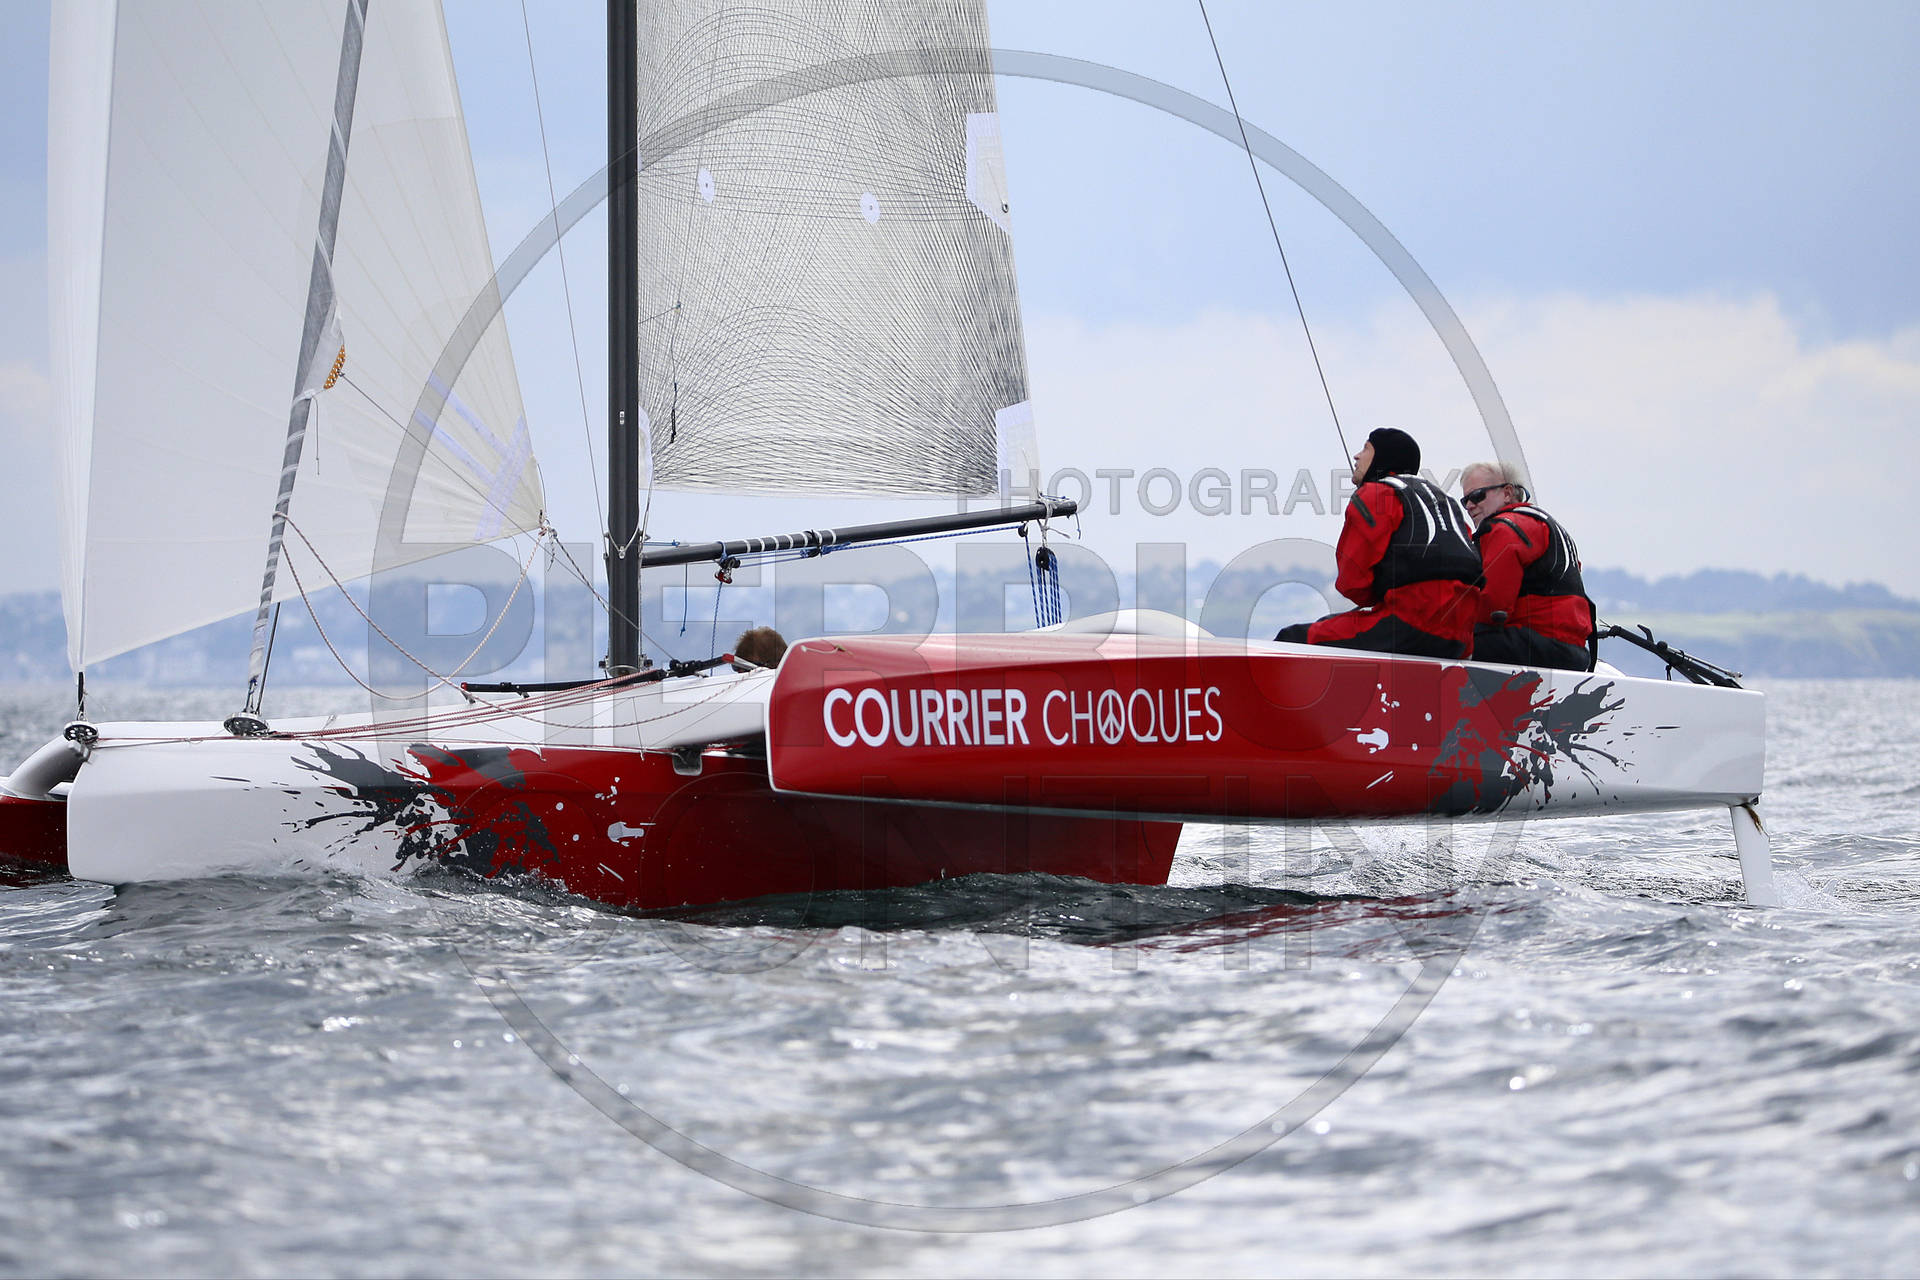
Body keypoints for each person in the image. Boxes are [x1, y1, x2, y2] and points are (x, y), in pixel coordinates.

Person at [1274, 427, 1481, 658]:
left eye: (1366, 448)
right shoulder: (1446, 503)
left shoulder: (1376, 494)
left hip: (1409, 624)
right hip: (1461, 636)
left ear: (1383, 457)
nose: (1357, 456)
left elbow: (1352, 582)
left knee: (1294, 639)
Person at [1459, 460, 1595, 670]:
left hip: (1536, 642)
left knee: (1446, 640)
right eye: (1465, 500)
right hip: (1574, 650)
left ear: (1507, 492)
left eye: (1477, 496)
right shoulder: (1547, 524)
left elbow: (1494, 604)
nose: (1469, 505)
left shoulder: (1504, 529)